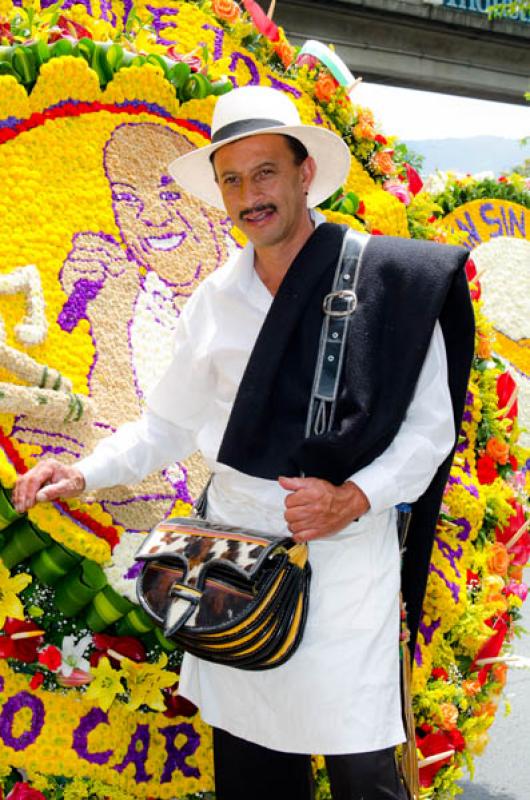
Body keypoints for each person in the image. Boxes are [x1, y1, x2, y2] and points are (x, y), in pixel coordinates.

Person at [13, 85, 474, 800]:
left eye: (265, 172)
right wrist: (83, 472)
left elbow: (428, 431)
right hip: (233, 569)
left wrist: (353, 498)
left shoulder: (392, 281)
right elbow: (165, 425)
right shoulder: (213, 299)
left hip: (344, 565)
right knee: (253, 770)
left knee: (362, 771)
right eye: (232, 179)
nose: (249, 194)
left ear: (304, 174)